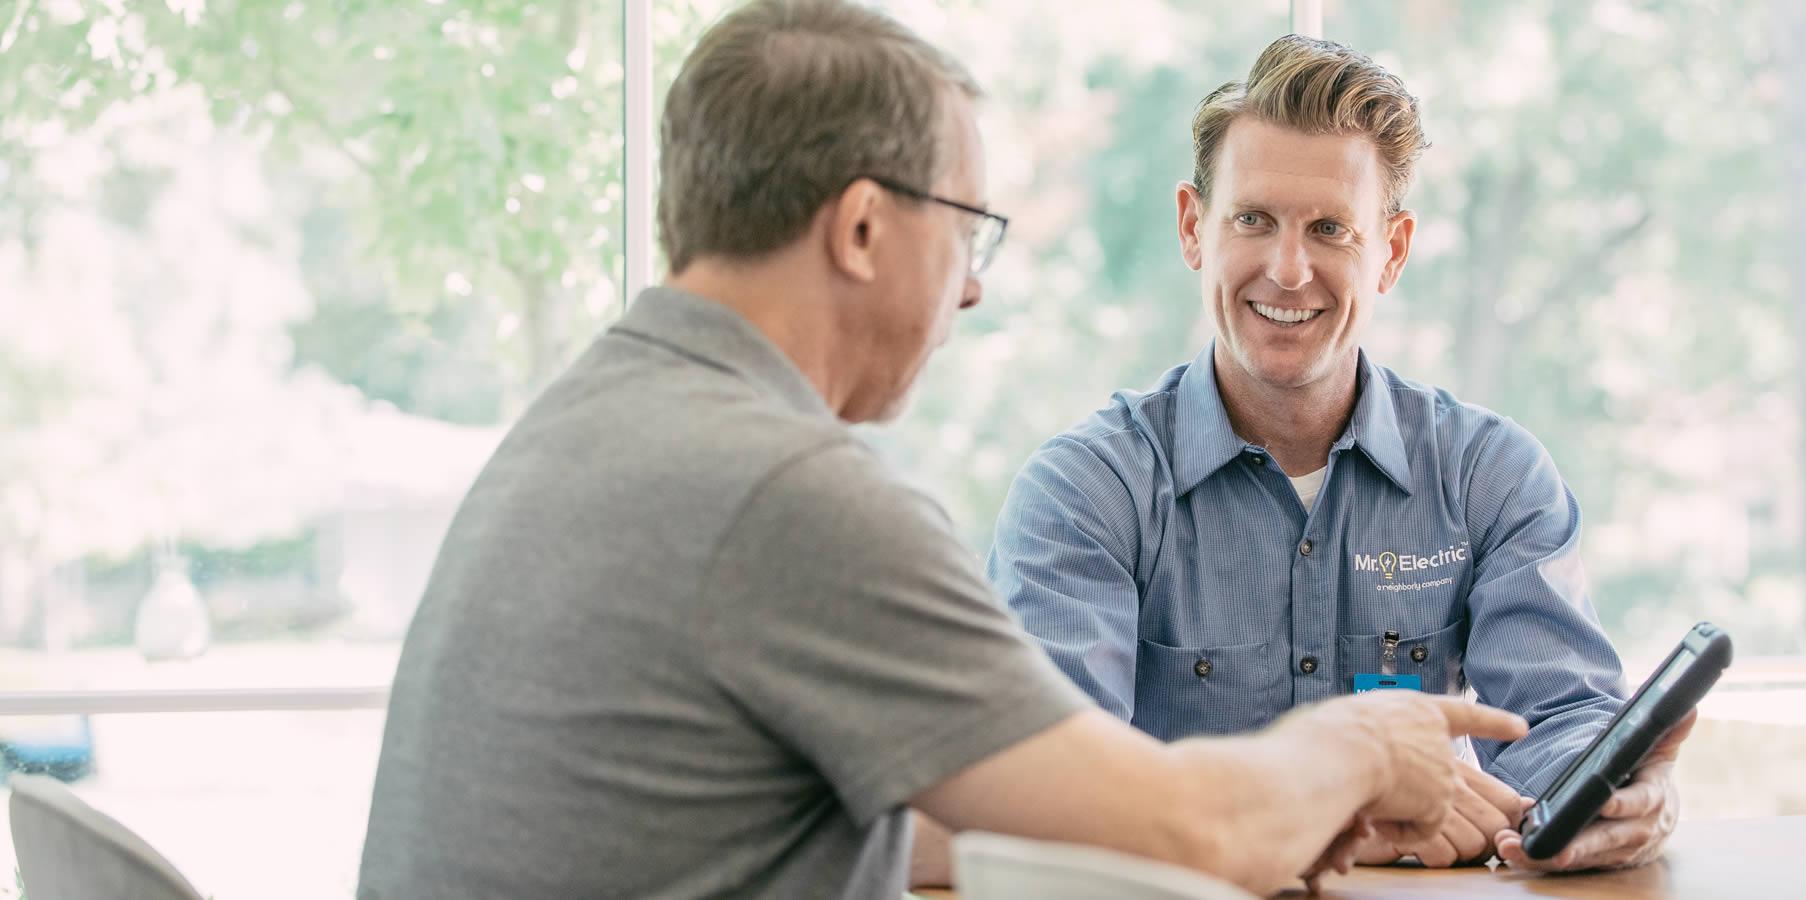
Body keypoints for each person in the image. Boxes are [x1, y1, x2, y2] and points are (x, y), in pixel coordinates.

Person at [354, 4, 1526, 898]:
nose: (970, 291)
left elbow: (929, 824)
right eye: (967, 232)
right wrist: (1365, 745)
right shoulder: (790, 496)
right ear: (863, 229)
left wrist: (1281, 818)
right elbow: (1172, 834)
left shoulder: (589, 426)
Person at [989, 34, 1687, 874]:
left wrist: (1611, 790)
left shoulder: (1489, 477)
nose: (1289, 269)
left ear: (1390, 252)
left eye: (1330, 229)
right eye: (1253, 220)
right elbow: (1049, 786)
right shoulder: (1085, 493)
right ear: (1192, 227)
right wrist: (1339, 796)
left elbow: (1560, 722)